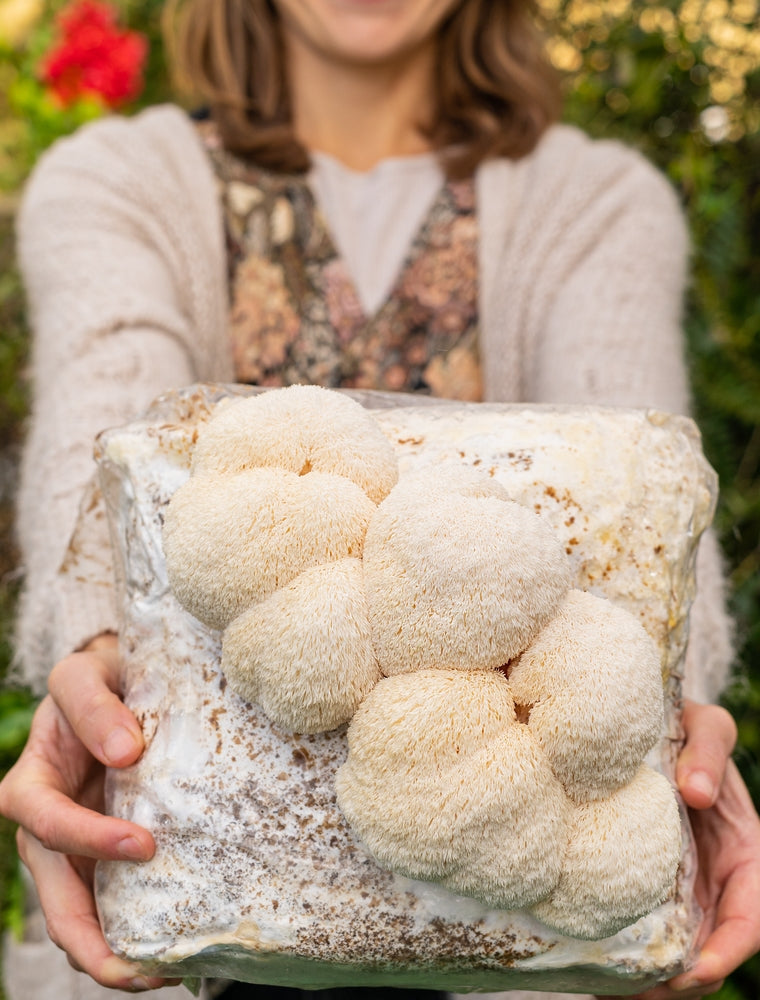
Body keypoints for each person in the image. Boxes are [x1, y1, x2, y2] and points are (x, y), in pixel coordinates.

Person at [1, 0, 759, 998]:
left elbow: (647, 525)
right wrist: (99, 664)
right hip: (186, 905)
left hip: (521, 932)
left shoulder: (599, 202)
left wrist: (657, 725)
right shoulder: (116, 183)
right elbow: (94, 467)